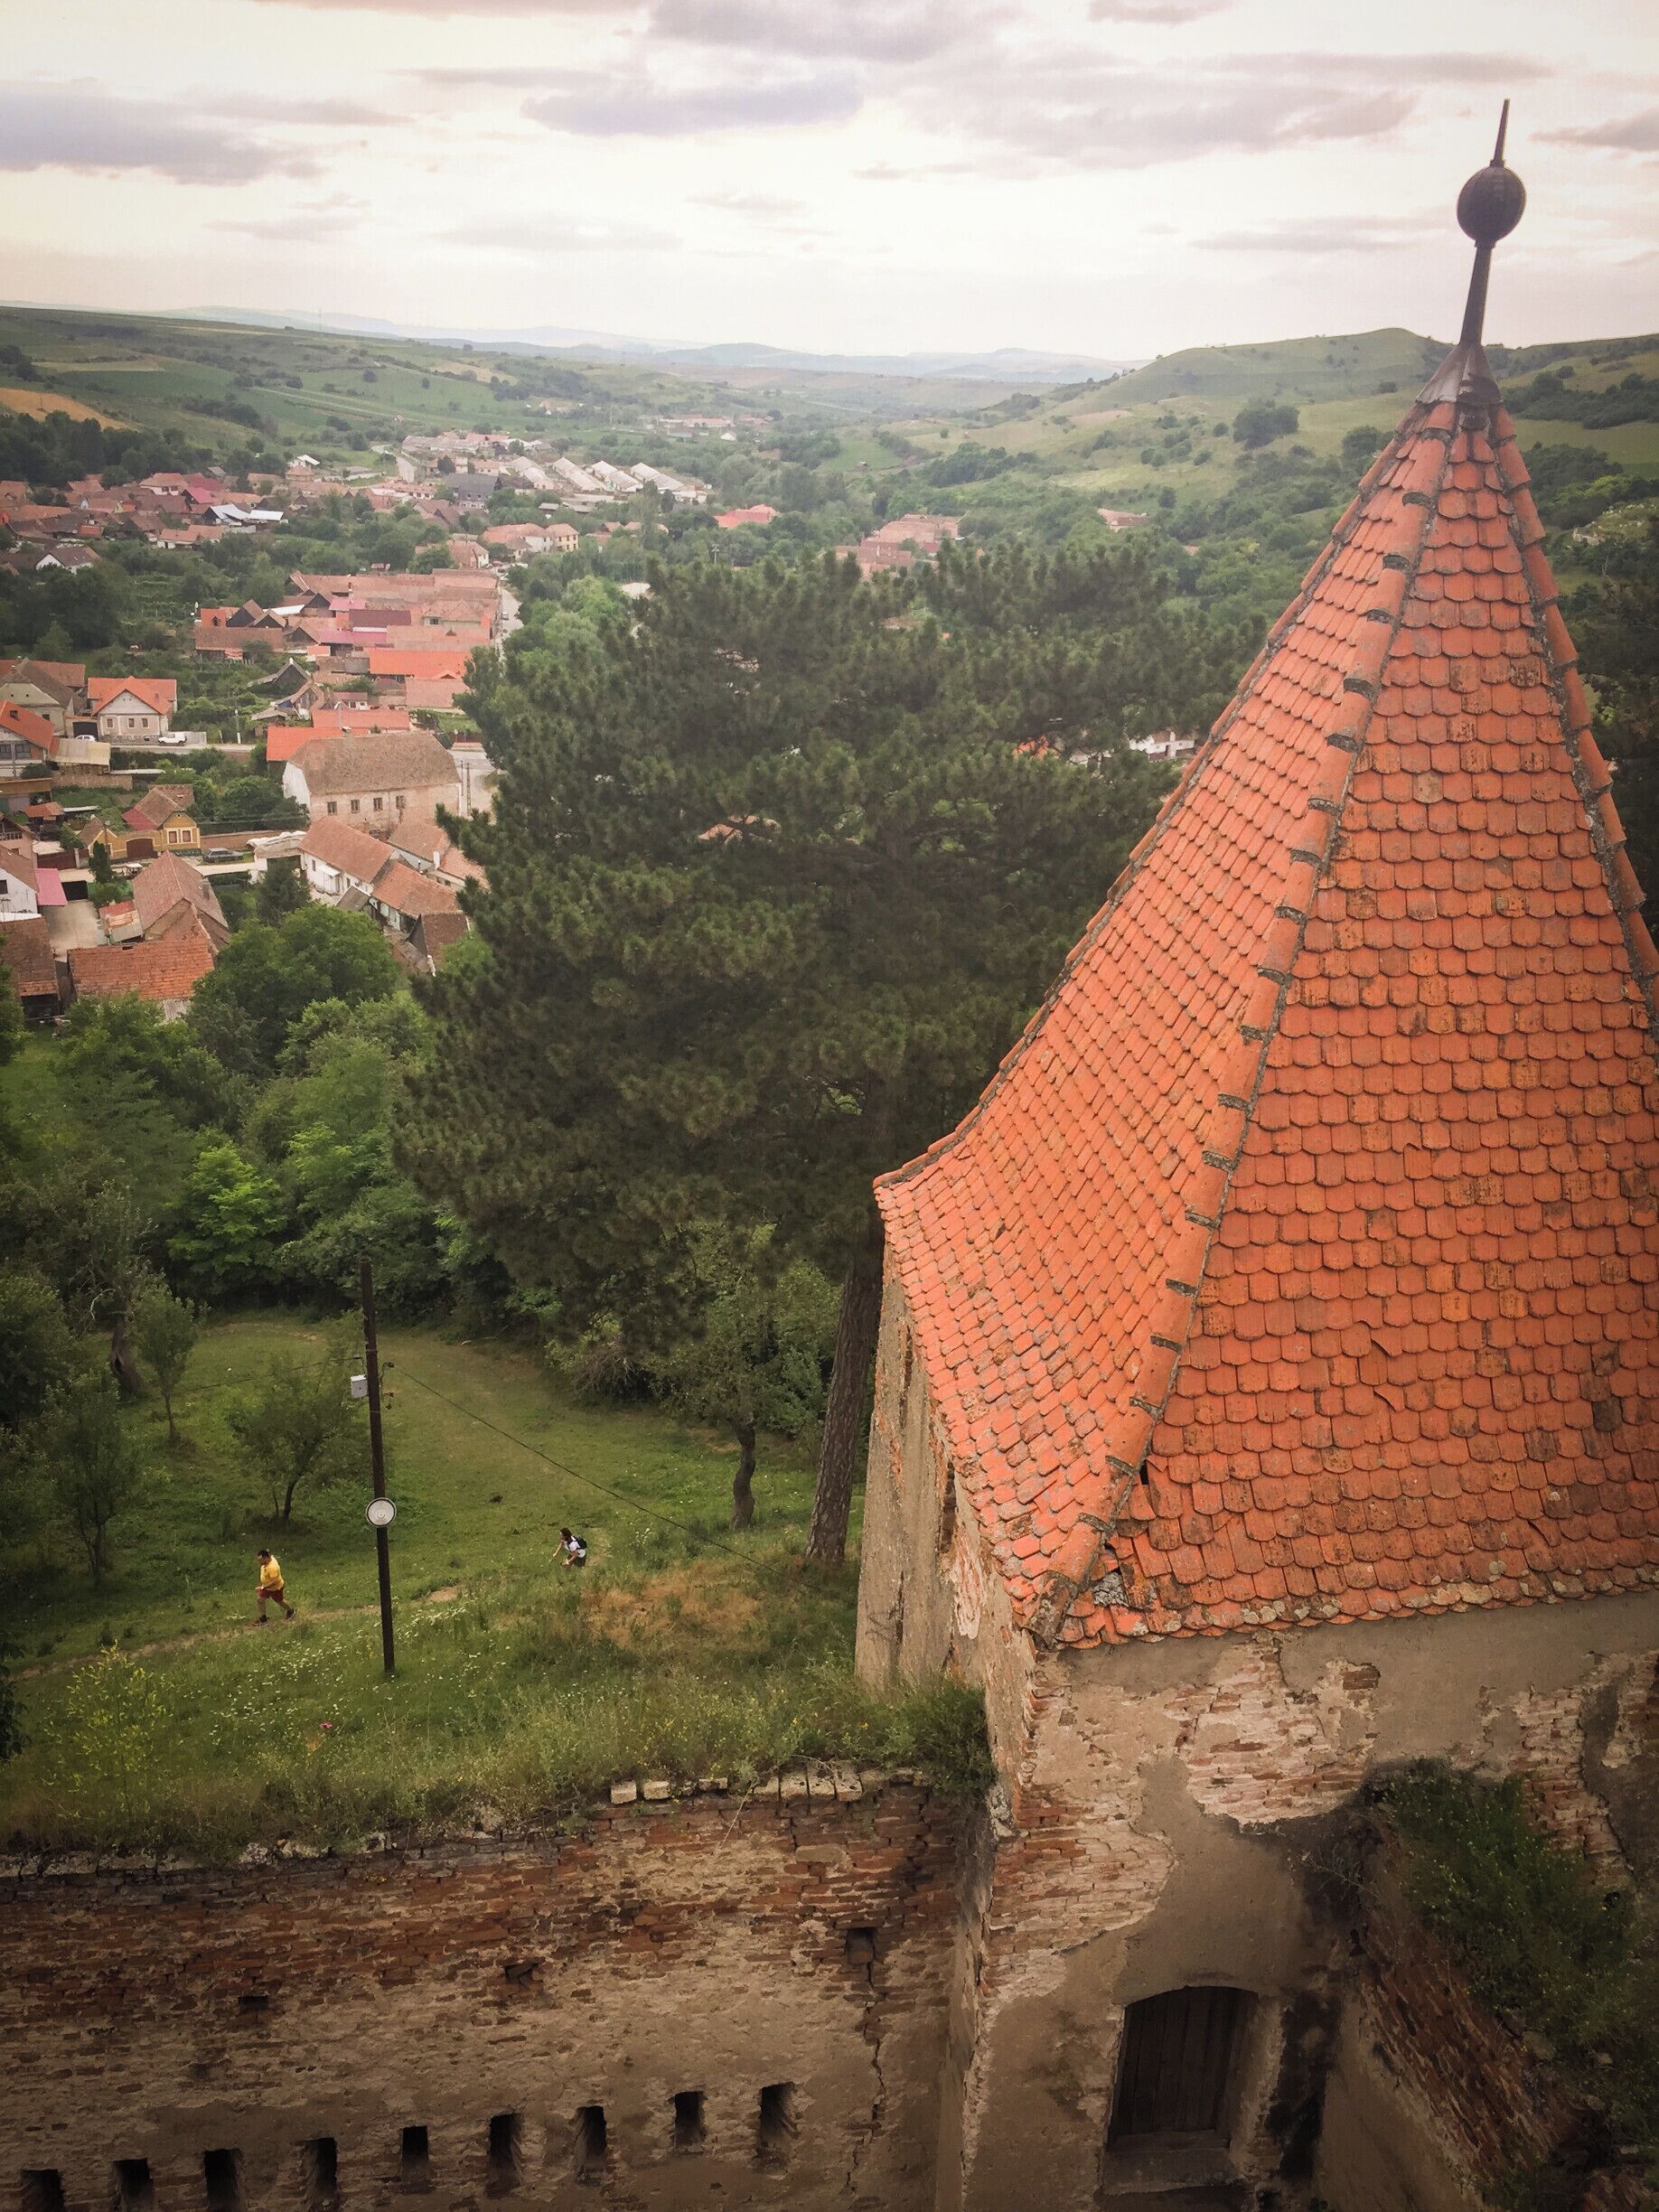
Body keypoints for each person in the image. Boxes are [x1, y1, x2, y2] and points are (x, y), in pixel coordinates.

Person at [256, 1549, 295, 1622]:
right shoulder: (268, 1561)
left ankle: (290, 1611)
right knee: (260, 1600)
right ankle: (263, 1618)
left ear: (266, 1558)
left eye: (261, 1560)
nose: (260, 1562)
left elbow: (274, 1582)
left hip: (275, 1588)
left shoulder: (272, 1567)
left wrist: (262, 1588)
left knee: (279, 1601)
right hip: (267, 1587)